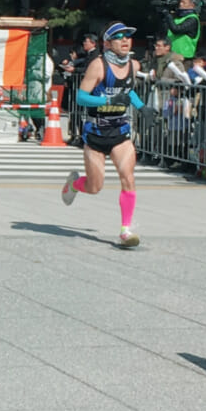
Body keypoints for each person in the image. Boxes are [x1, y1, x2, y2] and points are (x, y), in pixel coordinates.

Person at [61, 22, 142, 246]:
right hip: (96, 132)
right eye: (119, 37)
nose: (125, 40)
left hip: (120, 130)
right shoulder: (98, 65)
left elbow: (128, 92)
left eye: (128, 36)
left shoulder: (134, 65)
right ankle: (74, 184)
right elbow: (81, 97)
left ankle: (126, 229)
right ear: (107, 43)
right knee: (94, 187)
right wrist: (107, 100)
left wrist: (143, 107)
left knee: (128, 178)